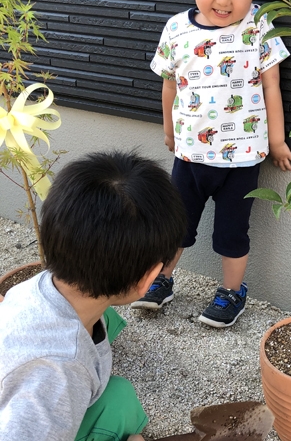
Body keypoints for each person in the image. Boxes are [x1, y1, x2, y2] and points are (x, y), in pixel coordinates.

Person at [131, 0, 291, 327]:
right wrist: (168, 131)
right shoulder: (176, 30)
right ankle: (162, 279)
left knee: (231, 233)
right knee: (175, 226)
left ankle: (231, 293)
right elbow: (170, 85)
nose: (224, 0)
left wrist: (276, 141)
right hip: (189, 154)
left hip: (242, 158)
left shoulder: (259, 25)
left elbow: (271, 85)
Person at [0, 150, 186, 441]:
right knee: (120, 403)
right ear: (148, 279)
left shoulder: (36, 286)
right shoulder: (59, 372)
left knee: (116, 387)